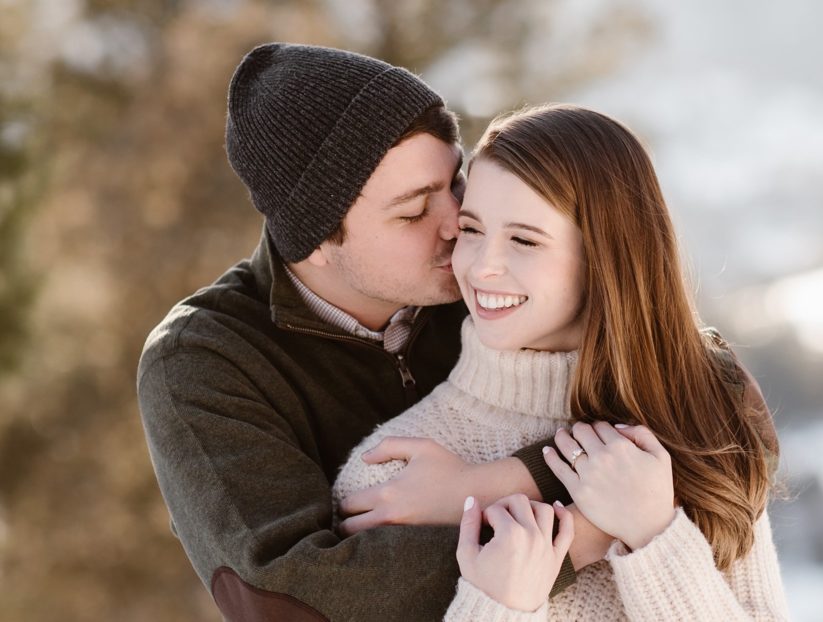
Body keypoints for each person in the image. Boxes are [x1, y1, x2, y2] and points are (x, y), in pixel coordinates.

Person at [137, 43, 582, 622]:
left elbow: (717, 410)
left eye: (455, 182)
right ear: (317, 242)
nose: (459, 223)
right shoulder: (204, 360)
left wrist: (501, 481)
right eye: (413, 211)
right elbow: (299, 594)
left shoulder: (497, 278)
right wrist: (589, 535)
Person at [333, 104, 790, 620]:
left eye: (524, 240)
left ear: (606, 258)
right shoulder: (393, 479)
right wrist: (497, 605)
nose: (483, 266)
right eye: (473, 229)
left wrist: (656, 536)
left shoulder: (702, 423)